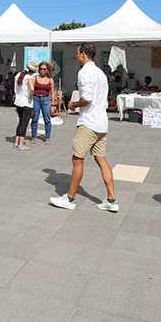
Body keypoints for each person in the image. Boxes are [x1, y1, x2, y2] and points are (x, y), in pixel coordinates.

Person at [51, 43, 117, 212]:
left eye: (77, 52)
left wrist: (73, 104)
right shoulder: (100, 73)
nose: (76, 55)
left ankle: (70, 198)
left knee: (77, 159)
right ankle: (111, 199)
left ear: (84, 54)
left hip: (89, 122)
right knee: (101, 159)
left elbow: (87, 99)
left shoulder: (84, 72)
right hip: (101, 122)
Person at [13, 63, 36, 150]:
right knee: (24, 123)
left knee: (20, 122)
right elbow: (32, 89)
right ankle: (21, 144)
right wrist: (30, 97)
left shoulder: (18, 75)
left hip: (18, 101)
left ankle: (16, 142)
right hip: (26, 103)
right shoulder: (29, 77)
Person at [31, 61, 54, 144]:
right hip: (36, 98)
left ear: (47, 70)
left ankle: (47, 138)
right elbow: (32, 89)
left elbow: (52, 93)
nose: (42, 71)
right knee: (35, 118)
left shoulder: (50, 80)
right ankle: (34, 137)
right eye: (41, 69)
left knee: (47, 119)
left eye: (44, 69)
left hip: (46, 99)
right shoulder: (35, 78)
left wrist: (53, 105)